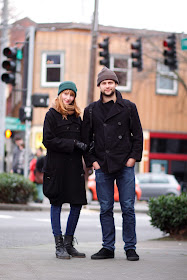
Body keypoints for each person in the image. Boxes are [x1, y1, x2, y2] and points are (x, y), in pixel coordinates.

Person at [82, 67, 143, 261]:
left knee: (128, 207)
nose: (107, 86)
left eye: (110, 82)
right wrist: (93, 162)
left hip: (124, 164)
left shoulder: (128, 107)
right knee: (105, 208)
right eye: (104, 83)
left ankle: (130, 247)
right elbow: (85, 140)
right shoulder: (91, 110)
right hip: (103, 165)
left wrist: (132, 159)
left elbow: (138, 135)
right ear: (99, 86)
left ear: (116, 84)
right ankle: (107, 247)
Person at [42, 81, 87, 260]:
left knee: (76, 204)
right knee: (57, 203)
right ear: (60, 94)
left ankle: (68, 244)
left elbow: (85, 139)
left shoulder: (77, 117)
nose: (68, 98)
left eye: (72, 95)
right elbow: (48, 141)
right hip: (56, 167)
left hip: (75, 167)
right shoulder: (51, 115)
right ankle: (58, 245)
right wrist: (73, 143)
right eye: (65, 94)